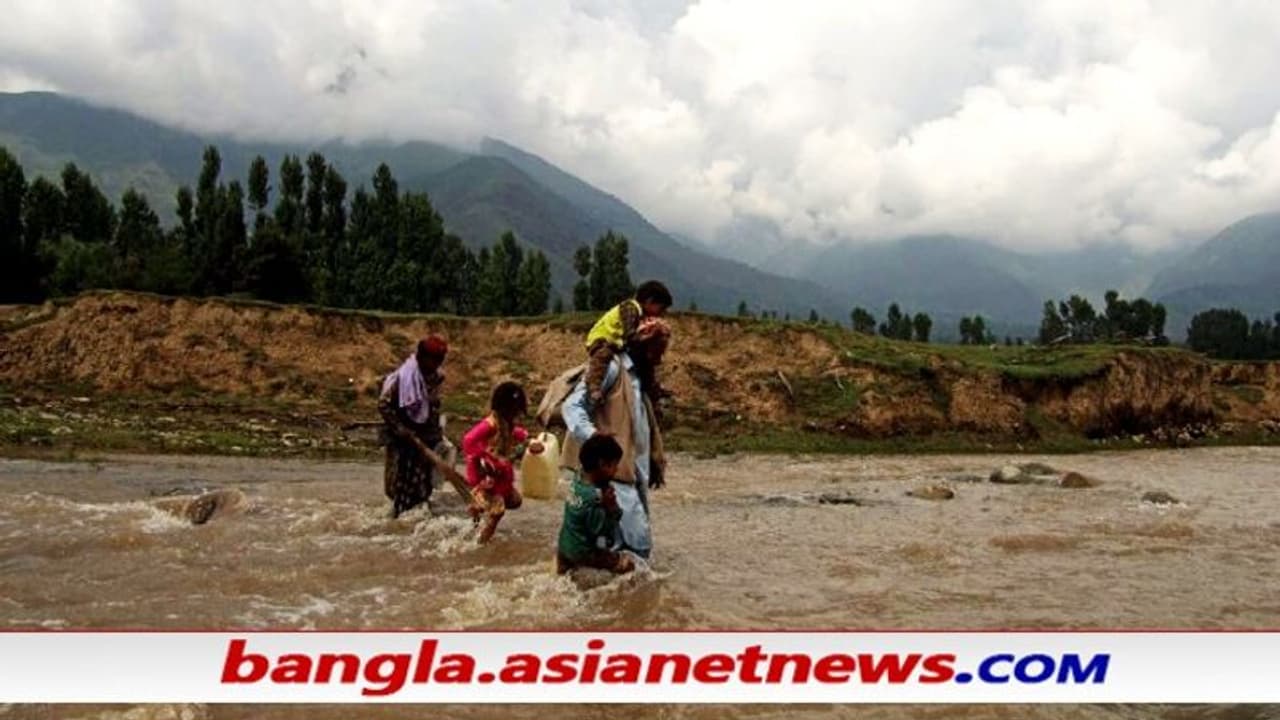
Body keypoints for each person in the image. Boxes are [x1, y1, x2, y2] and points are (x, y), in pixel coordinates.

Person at [561, 317, 671, 559]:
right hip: (611, 478)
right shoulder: (611, 369)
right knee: (634, 551)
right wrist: (595, 439)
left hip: (633, 478)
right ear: (641, 346)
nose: (659, 359)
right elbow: (572, 407)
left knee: (625, 552)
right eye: (656, 351)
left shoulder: (640, 381)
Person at [379, 335, 453, 519]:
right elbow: (383, 405)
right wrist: (400, 429)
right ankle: (398, 521)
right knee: (399, 488)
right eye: (435, 359)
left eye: (440, 360)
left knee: (423, 488)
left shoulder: (436, 377)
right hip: (403, 442)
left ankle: (416, 518)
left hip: (426, 439)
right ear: (421, 357)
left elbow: (432, 406)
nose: (438, 363)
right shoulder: (402, 379)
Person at [463, 381, 542, 543]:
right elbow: (468, 440)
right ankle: (481, 543)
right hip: (487, 477)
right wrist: (486, 460)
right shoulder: (489, 425)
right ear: (505, 408)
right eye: (514, 410)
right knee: (498, 511)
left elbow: (515, 433)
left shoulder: (506, 422)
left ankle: (477, 511)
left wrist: (529, 441)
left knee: (515, 501)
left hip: (501, 476)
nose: (516, 414)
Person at [583, 281, 673, 408]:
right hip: (602, 339)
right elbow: (630, 335)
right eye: (661, 308)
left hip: (619, 343)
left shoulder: (641, 315)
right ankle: (594, 386)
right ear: (649, 301)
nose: (661, 312)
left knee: (644, 362)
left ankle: (652, 388)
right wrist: (648, 336)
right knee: (604, 355)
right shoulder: (630, 308)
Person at [556, 434, 636, 575]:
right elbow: (599, 532)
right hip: (584, 552)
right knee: (628, 566)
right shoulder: (596, 500)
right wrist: (611, 509)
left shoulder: (578, 478)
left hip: (564, 547)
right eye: (614, 465)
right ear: (602, 465)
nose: (616, 470)